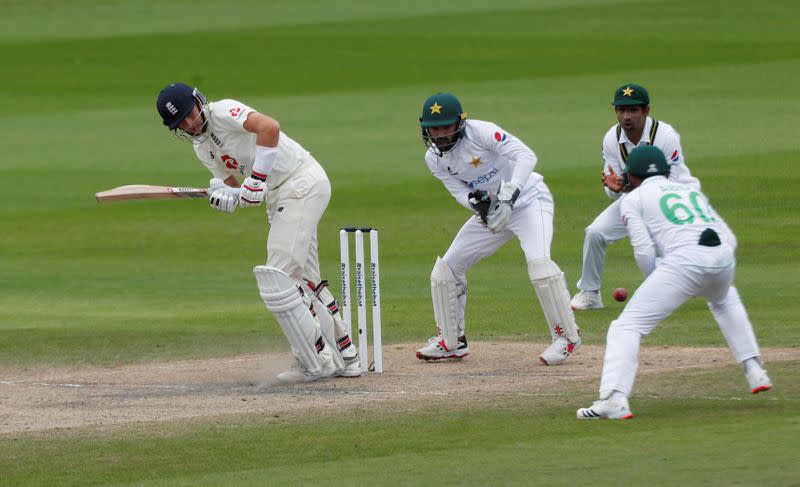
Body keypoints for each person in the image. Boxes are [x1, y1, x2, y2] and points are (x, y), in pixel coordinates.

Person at [155, 82, 360, 382]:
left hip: (300, 181)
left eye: (190, 113)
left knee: (278, 278)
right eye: (181, 123)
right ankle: (347, 356)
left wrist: (257, 179)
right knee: (303, 277)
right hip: (279, 197)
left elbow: (270, 128)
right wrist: (225, 197)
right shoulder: (202, 149)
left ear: (199, 101)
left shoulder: (223, 111)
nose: (190, 123)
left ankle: (316, 361)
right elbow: (242, 192)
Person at [576, 146, 772, 420]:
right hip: (722, 259)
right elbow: (731, 239)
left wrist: (664, 280)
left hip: (682, 263)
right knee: (725, 297)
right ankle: (755, 370)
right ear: (667, 172)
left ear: (631, 176)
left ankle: (614, 399)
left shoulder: (633, 199)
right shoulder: (690, 191)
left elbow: (643, 251)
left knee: (626, 327)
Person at [415, 93, 581, 365]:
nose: (441, 134)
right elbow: (458, 190)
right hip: (493, 211)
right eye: (435, 128)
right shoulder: (434, 159)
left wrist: (509, 194)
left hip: (529, 201)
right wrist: (476, 205)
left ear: (460, 122)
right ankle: (451, 341)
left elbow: (526, 155)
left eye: (446, 126)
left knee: (539, 264)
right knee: (447, 268)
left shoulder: (481, 132)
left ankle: (567, 338)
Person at [570, 84, 700, 310]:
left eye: (632, 110)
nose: (626, 116)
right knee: (595, 232)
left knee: (666, 243)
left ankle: (683, 285)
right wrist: (615, 187)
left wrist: (629, 186)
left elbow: (673, 181)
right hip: (636, 199)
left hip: (677, 199)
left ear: (646, 111)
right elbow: (614, 188)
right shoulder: (612, 138)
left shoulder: (665, 135)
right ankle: (590, 293)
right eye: (621, 110)